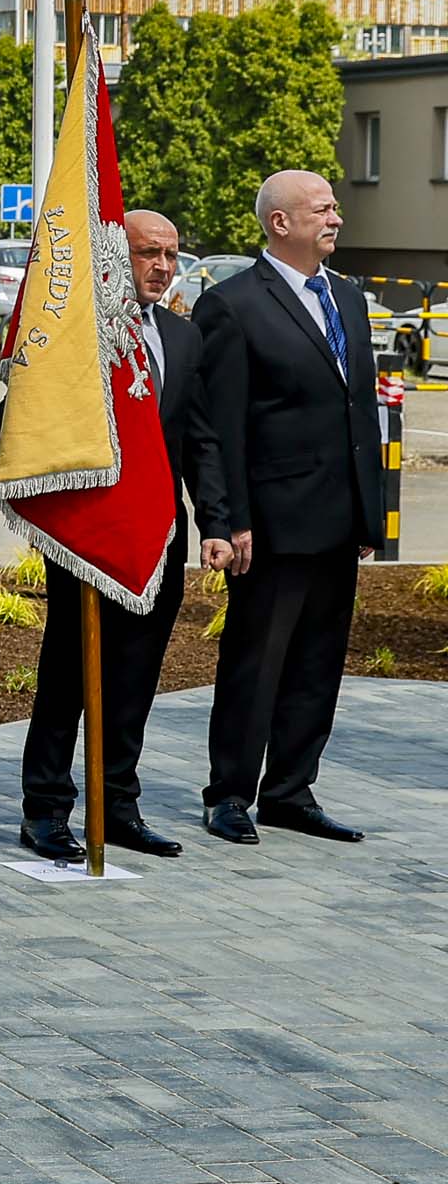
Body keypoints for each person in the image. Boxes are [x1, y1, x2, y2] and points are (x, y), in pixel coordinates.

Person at [16, 210, 216, 861]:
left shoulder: (184, 340)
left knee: (135, 676)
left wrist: (218, 523)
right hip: (88, 539)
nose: (161, 266)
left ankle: (118, 801)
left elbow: (201, 444)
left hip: (160, 539)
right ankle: (46, 808)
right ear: (114, 257)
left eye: (171, 254)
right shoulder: (83, 339)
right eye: (147, 253)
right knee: (69, 676)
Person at [191, 170, 382, 845]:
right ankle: (231, 793)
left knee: (317, 663)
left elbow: (361, 411)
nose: (336, 216)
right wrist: (229, 519)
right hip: (271, 521)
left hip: (337, 517)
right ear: (280, 223)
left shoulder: (350, 298)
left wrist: (370, 511)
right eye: (322, 208)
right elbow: (222, 426)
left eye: (335, 206)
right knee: (258, 661)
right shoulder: (234, 305)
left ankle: (291, 789)